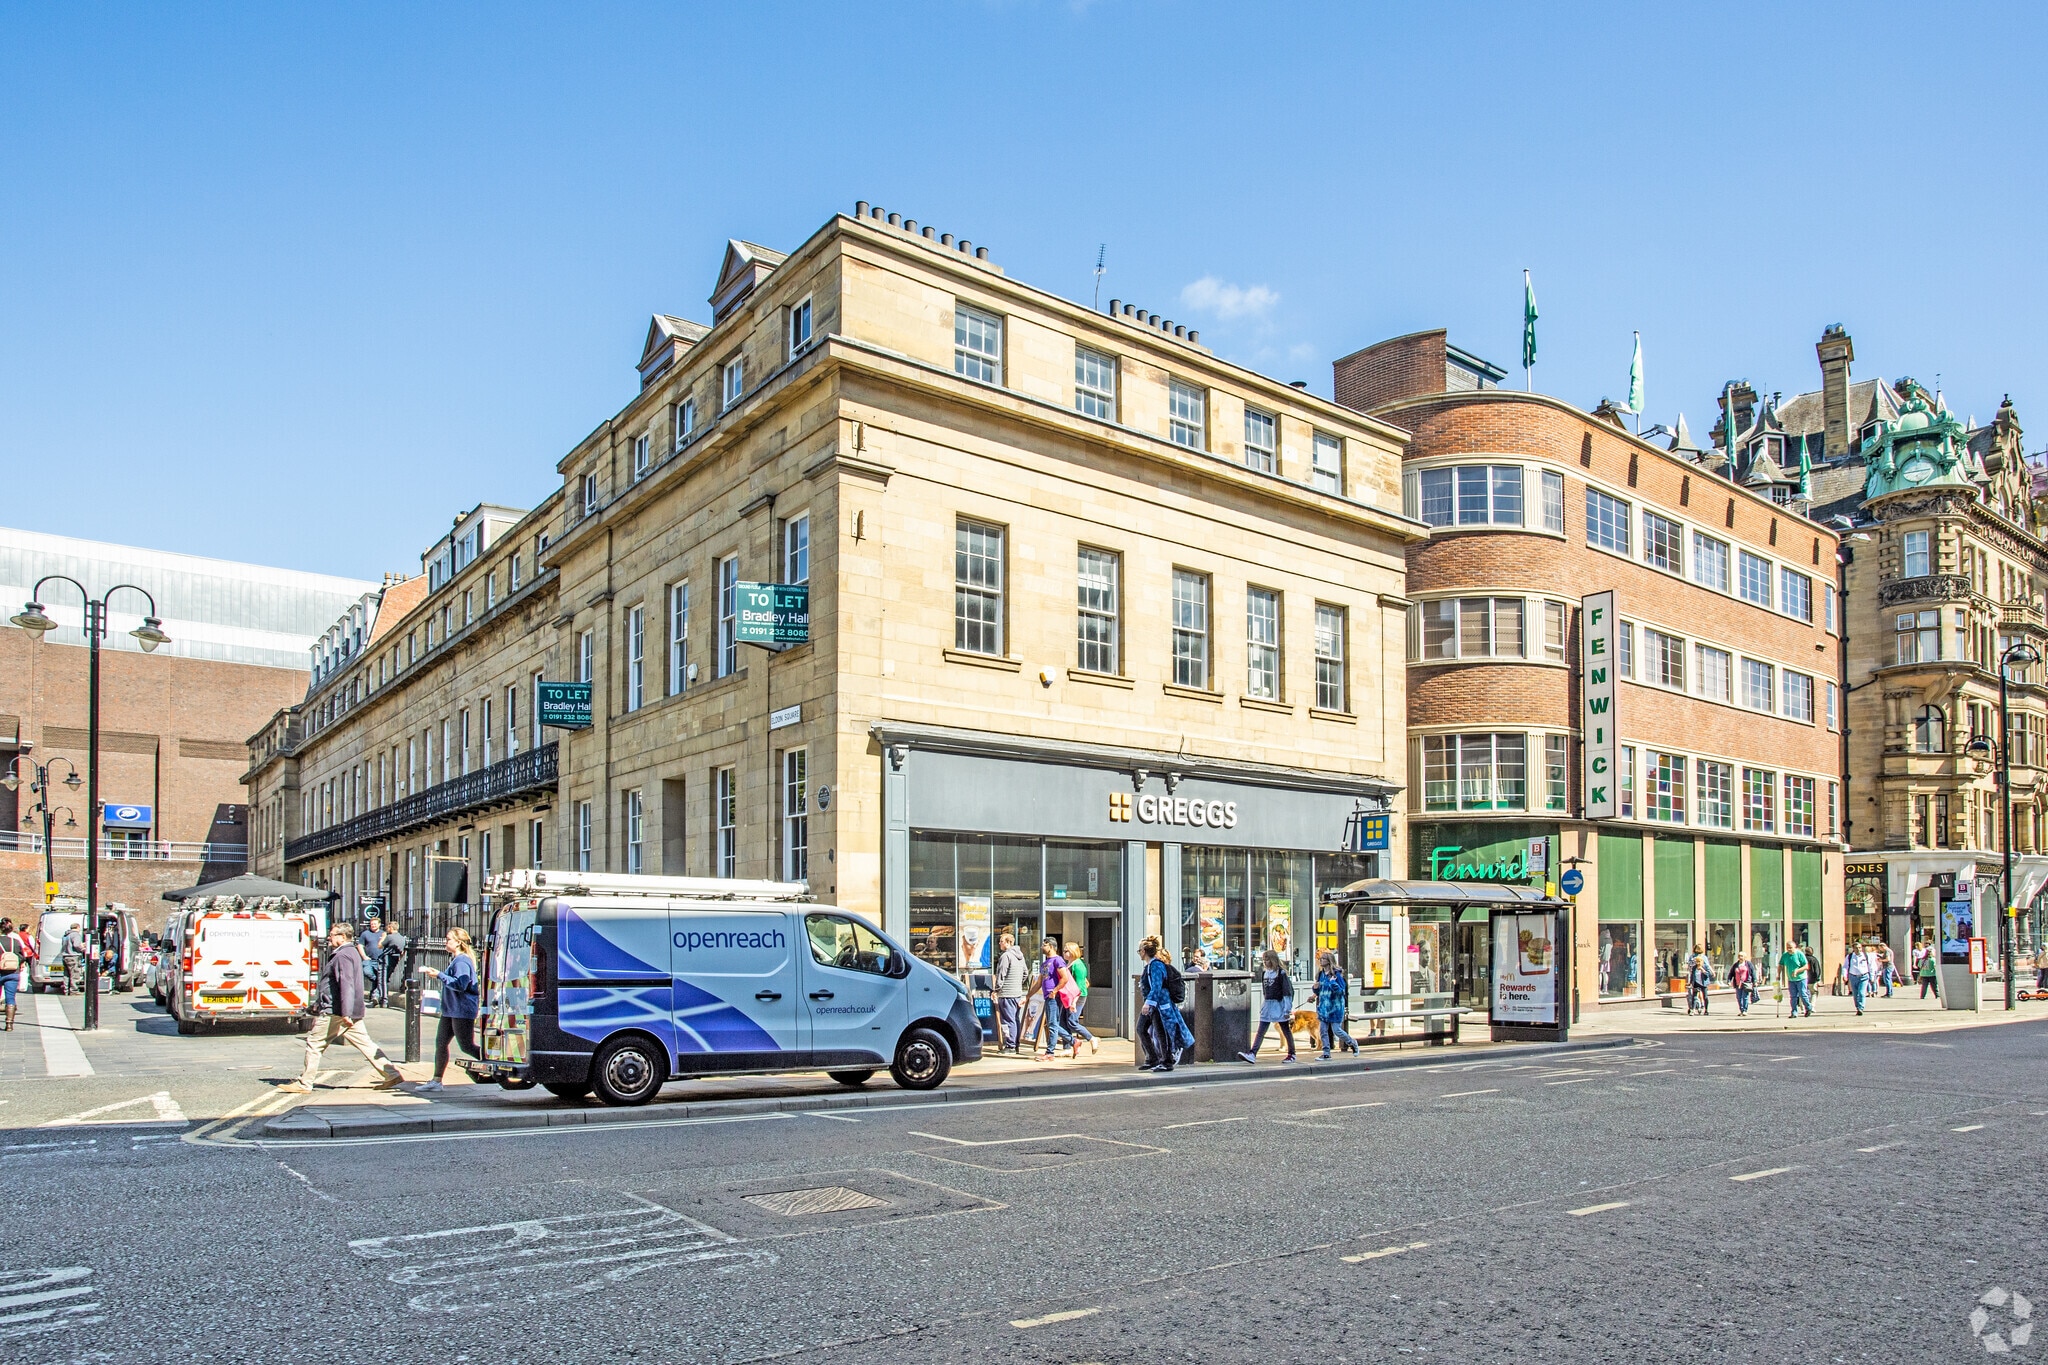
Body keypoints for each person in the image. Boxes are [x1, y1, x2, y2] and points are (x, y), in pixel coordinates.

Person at [279, 922, 404, 1094]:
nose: (329, 937)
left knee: (314, 1044)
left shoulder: (343, 955)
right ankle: (391, 1074)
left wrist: (346, 1012)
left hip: (336, 1012)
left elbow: (347, 984)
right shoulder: (351, 952)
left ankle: (305, 1083)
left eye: (332, 934)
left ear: (342, 937)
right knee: (365, 1043)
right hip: (347, 1011)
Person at [418, 927, 480, 1092]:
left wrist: (439, 974)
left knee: (466, 1045)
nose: (446, 942)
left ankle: (495, 1066)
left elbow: (461, 984)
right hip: (450, 1010)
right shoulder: (457, 960)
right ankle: (436, 1080)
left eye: (448, 939)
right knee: (441, 1043)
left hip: (461, 1010)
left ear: (458, 942)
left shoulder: (462, 961)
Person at [1137, 936, 1192, 1072]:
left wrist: (1148, 1003)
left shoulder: (1155, 966)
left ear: (1144, 951)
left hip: (1160, 1005)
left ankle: (1166, 1061)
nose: (1139, 953)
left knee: (1162, 1032)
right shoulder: (1151, 966)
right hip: (1156, 1004)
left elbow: (1156, 986)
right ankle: (1153, 1058)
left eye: (1139, 951)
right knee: (1142, 1028)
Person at [1239, 950, 1297, 1064]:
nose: (1265, 962)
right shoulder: (1265, 973)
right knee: (1261, 1030)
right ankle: (1253, 1053)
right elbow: (1265, 991)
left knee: (1285, 1029)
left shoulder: (1281, 973)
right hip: (1268, 1003)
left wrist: (1287, 1009)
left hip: (1279, 1003)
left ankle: (1292, 1053)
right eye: (1264, 960)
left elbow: (1287, 991)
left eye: (1267, 959)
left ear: (1273, 960)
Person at [1314, 950, 1357, 1059]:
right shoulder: (1321, 974)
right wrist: (1315, 990)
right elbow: (1320, 991)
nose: (1321, 960)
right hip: (1324, 1007)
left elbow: (1341, 990)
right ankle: (1326, 1053)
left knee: (1336, 1030)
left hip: (1335, 1007)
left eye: (1323, 959)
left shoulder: (1336, 974)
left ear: (1329, 961)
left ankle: (1352, 1043)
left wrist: (1333, 983)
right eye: (1320, 959)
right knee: (1323, 1031)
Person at [1062, 941, 1098, 1056]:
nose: (1064, 952)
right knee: (1064, 1021)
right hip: (1068, 996)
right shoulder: (1069, 964)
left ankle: (1091, 1038)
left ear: (1073, 951)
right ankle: (1067, 1047)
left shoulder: (1078, 965)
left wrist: (1074, 1002)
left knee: (1072, 1021)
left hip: (1077, 997)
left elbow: (1080, 986)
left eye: (1066, 950)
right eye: (1064, 950)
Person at [993, 933, 1027, 1054]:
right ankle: (1016, 1044)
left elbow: (1001, 974)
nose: (999, 943)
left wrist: (996, 990)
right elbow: (1025, 973)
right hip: (1017, 993)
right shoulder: (1020, 956)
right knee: (1015, 1019)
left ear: (1008, 942)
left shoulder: (1006, 956)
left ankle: (1010, 1045)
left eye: (1001, 941)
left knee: (1008, 1020)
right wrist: (1018, 984)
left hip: (1006, 993)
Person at [1037, 939, 1071, 1058]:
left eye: (1044, 945)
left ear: (1051, 946)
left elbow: (1064, 978)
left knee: (1052, 1024)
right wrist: (1027, 996)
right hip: (1048, 996)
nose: (1042, 947)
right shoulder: (1045, 963)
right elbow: (1039, 982)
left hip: (1054, 997)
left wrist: (1054, 991)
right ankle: (1074, 1042)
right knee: (1053, 1024)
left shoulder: (1058, 960)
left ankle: (1050, 1052)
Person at [0, 916, 27, 1031]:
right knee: (10, 998)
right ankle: (9, 1024)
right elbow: (22, 956)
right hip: (13, 972)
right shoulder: (15, 941)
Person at [1778, 942, 1812, 1017]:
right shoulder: (1785, 955)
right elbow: (1780, 965)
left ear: (1795, 947)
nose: (1789, 949)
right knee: (1793, 996)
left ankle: (1808, 1008)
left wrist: (1797, 971)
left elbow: (1806, 966)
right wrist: (1778, 975)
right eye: (1788, 948)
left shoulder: (1799, 954)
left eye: (1791, 947)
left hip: (1801, 978)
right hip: (1791, 979)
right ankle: (1794, 1012)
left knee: (1803, 994)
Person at [360, 917, 387, 1003]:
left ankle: (375, 995)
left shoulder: (383, 934)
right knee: (367, 972)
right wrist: (364, 956)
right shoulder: (365, 934)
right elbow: (360, 945)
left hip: (380, 960)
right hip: (369, 959)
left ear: (379, 924)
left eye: (375, 924)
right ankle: (376, 987)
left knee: (380, 977)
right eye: (371, 924)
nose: (373, 925)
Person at [1845, 942, 1875, 1016]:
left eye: (1859, 948)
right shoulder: (1850, 956)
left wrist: (1872, 976)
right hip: (1853, 977)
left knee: (1861, 993)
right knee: (1855, 994)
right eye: (1856, 948)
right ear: (1853, 949)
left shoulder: (1866, 956)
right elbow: (1845, 966)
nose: (1858, 949)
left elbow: (1871, 966)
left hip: (1864, 976)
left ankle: (1861, 1008)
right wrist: (1844, 975)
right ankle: (1857, 1007)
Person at [1686, 948, 1713, 1016]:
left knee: (1705, 997)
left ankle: (1706, 1010)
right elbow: (1692, 975)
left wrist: (1702, 970)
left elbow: (1708, 975)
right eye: (1696, 962)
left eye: (1699, 962)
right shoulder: (1694, 967)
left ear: (1702, 961)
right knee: (1694, 997)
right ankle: (1693, 1010)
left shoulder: (1705, 966)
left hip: (1703, 983)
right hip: (1696, 983)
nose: (1698, 963)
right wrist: (1690, 982)